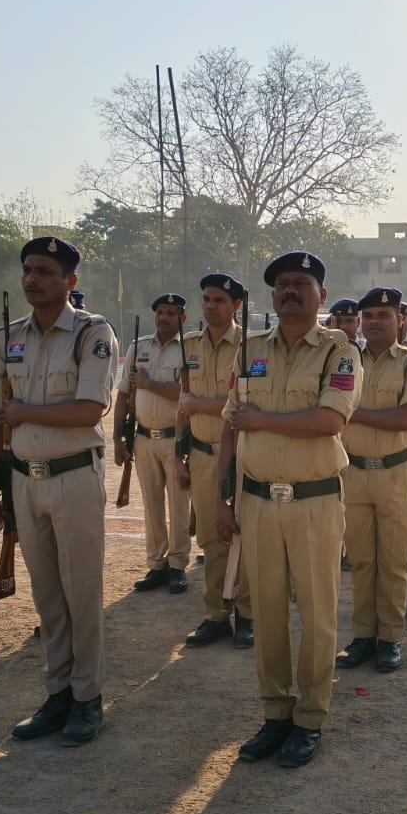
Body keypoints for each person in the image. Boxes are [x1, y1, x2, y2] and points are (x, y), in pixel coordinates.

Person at [215, 250, 358, 769]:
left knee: (317, 614)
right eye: (282, 285)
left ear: (321, 294)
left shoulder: (340, 353)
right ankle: (275, 713)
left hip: (314, 502)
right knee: (267, 611)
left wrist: (263, 420)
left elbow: (329, 421)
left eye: (301, 283)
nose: (290, 291)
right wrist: (223, 497)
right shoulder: (250, 350)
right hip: (256, 500)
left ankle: (310, 717)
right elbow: (232, 424)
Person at [0, 235, 119, 746]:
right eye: (27, 270)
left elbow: (89, 410)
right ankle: (57, 691)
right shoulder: (7, 338)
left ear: (69, 281)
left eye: (44, 271)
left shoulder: (91, 332)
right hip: (25, 479)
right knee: (47, 594)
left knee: (81, 592)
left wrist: (25, 413)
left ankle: (87, 697)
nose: (32, 279)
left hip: (75, 476)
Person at [336, 287, 407, 674]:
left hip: (395, 473)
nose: (374, 322)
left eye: (384, 316)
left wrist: (352, 413)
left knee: (393, 561)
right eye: (369, 316)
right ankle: (362, 636)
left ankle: (389, 638)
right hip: (354, 471)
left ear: (400, 320)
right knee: (361, 560)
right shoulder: (347, 359)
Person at [178, 272, 254, 648]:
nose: (210, 306)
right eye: (207, 299)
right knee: (211, 537)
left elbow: (243, 404)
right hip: (201, 454)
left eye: (219, 301)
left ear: (236, 306)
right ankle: (217, 615)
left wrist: (197, 404)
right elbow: (183, 404)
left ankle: (249, 615)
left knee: (245, 534)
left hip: (241, 455)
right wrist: (179, 453)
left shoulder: (250, 346)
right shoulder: (190, 345)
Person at [116, 293, 193, 594]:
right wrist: (117, 436)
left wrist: (150, 384)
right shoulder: (138, 347)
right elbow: (124, 393)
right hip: (144, 438)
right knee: (151, 506)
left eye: (171, 313)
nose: (164, 318)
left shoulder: (189, 349)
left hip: (176, 440)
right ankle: (157, 565)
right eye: (160, 312)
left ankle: (178, 566)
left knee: (179, 505)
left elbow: (186, 392)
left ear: (182, 318)